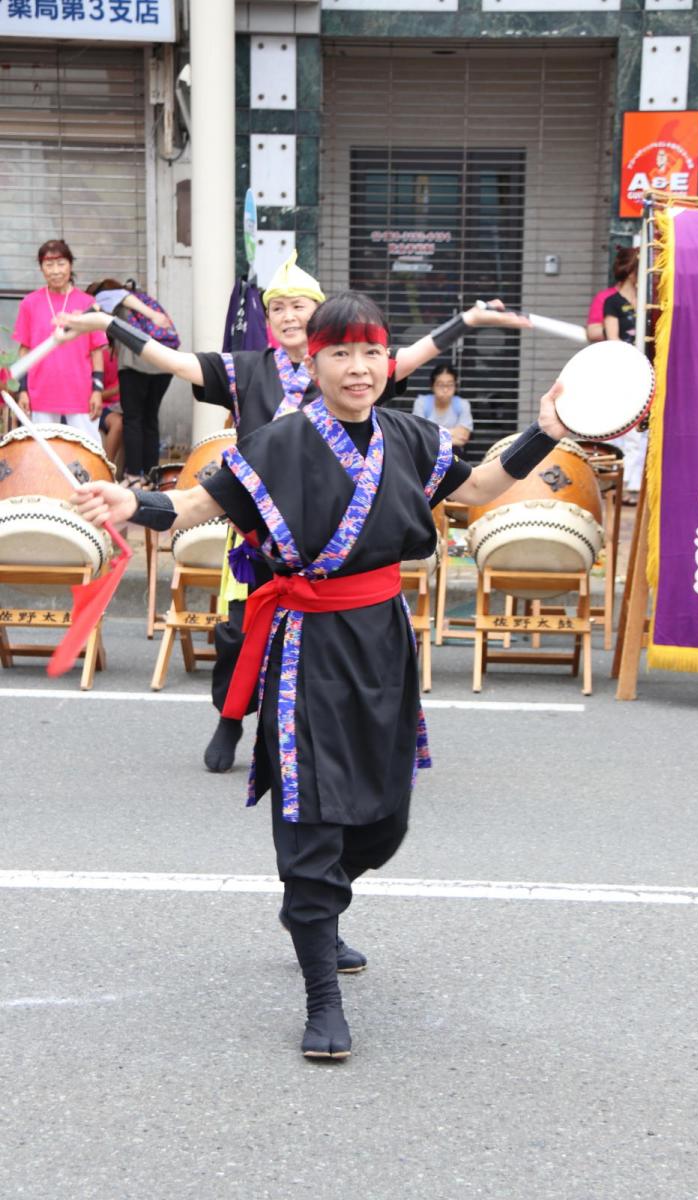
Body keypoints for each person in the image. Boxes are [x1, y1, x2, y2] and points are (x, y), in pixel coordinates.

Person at [68, 290, 570, 1060]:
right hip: (305, 643)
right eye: (341, 352)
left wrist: (543, 431)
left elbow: (473, 489)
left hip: (382, 642)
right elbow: (200, 502)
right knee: (311, 812)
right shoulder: (279, 441)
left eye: (372, 351)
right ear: (316, 359)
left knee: (383, 817)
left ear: (385, 360)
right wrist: (129, 502)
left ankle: (320, 903)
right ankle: (321, 992)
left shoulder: (408, 435)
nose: (359, 367)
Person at [59, 251, 533, 778]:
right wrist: (107, 323)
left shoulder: (363, 383)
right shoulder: (245, 368)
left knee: (365, 756)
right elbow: (167, 364)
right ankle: (233, 719)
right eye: (278, 306)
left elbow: (430, 386)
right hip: (256, 526)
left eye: (301, 305)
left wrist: (469, 323)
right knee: (241, 634)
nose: (289, 314)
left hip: (356, 572)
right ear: (300, 345)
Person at [86, 279, 179, 489]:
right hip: (163, 365)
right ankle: (151, 476)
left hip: (136, 364)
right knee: (149, 420)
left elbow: (122, 297)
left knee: (133, 419)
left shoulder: (109, 295)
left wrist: (152, 315)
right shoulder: (142, 296)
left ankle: (134, 476)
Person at [12, 240, 107, 442]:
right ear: (41, 268)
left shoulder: (87, 303)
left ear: (70, 265)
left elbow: (96, 350)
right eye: (49, 265)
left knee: (88, 451)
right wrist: (23, 390)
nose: (55, 271)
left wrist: (97, 390)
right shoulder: (30, 303)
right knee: (42, 454)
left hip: (80, 394)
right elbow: (25, 350)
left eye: (61, 263)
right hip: (41, 393)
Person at [602, 249, 646, 503]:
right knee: (621, 428)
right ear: (631, 272)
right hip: (621, 369)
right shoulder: (613, 301)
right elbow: (613, 337)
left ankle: (634, 485)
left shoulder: (647, 300)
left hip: (645, 370)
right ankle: (618, 482)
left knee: (640, 430)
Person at [412, 363, 473, 454]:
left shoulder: (462, 404)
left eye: (450, 385)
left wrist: (431, 436)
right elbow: (419, 434)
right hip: (426, 454)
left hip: (453, 455)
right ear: (432, 386)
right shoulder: (422, 402)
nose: (445, 390)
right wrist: (452, 435)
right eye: (440, 385)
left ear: (455, 386)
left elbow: (463, 437)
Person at [98, 345, 124, 467]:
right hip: (103, 406)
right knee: (118, 423)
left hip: (124, 406)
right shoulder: (103, 355)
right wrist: (116, 390)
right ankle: (107, 468)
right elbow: (94, 395)